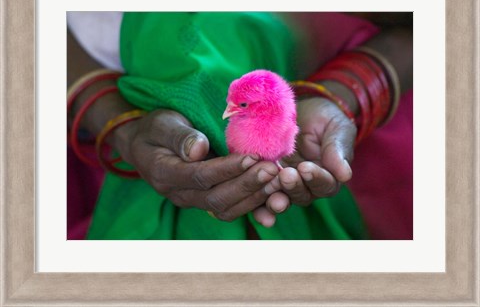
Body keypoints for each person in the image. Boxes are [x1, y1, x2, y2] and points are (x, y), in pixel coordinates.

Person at [67, 12, 413, 240]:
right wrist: (121, 126)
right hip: (106, 159)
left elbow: (444, 8)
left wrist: (349, 90)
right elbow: (28, 12)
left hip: (376, 161)